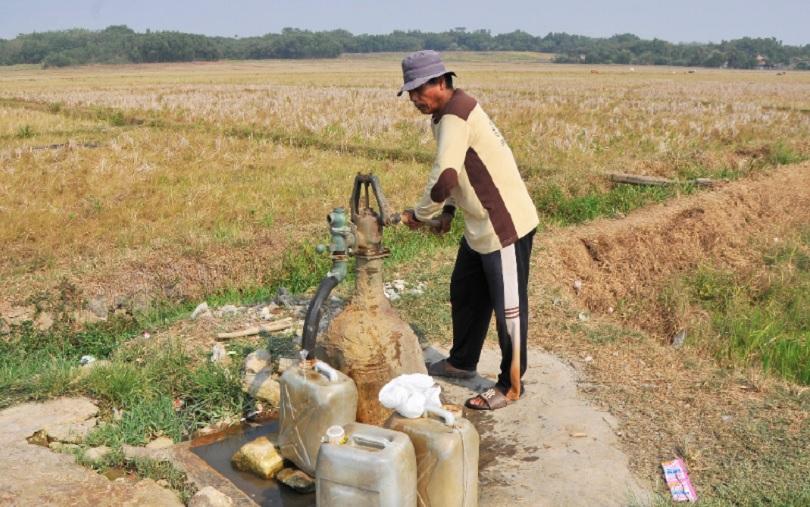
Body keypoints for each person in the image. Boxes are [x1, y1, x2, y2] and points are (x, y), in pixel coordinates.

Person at [398, 50, 539, 410]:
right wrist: (446, 211)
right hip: (480, 224)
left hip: (503, 225)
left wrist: (420, 213)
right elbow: (458, 170)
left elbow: (444, 175)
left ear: (442, 82)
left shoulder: (455, 116)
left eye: (419, 89)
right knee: (465, 292)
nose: (415, 98)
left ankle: (511, 386)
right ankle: (462, 362)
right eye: (410, 92)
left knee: (509, 309)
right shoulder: (447, 113)